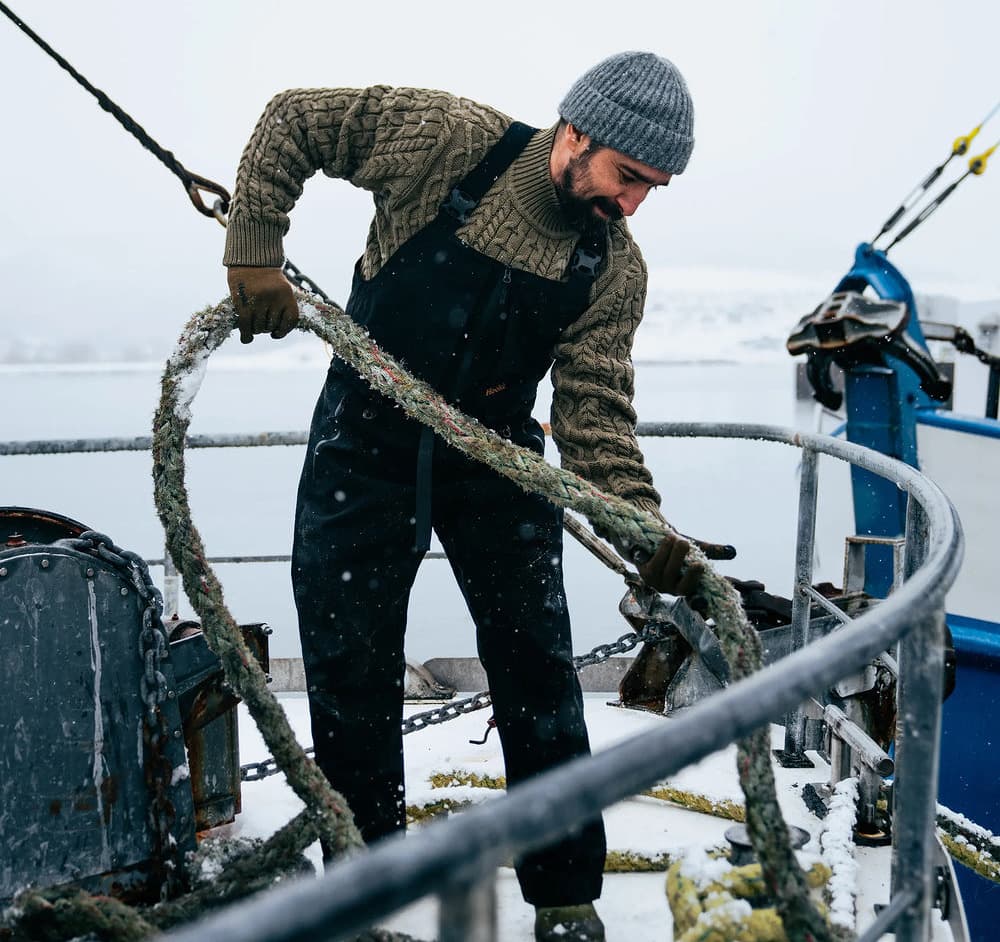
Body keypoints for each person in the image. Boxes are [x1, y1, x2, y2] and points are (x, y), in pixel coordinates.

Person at [225, 51, 725, 942]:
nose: (632, 205)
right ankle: (362, 896)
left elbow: (595, 417)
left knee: (540, 674)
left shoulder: (612, 268)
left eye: (653, 189)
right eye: (627, 177)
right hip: (364, 446)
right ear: (576, 133)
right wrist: (255, 250)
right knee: (351, 678)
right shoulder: (445, 143)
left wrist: (642, 527)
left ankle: (565, 897)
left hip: (497, 463)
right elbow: (295, 119)